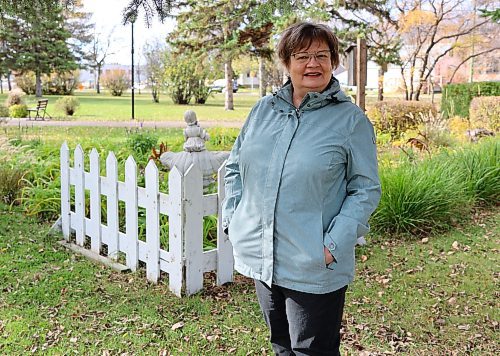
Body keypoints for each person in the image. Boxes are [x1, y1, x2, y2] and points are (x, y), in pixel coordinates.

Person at [222, 22, 381, 355]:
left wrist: (332, 245)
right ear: (286, 62)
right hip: (260, 257)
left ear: (335, 61)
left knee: (312, 350)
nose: (313, 64)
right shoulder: (263, 111)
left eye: (322, 55)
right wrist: (232, 220)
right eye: (303, 56)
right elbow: (235, 167)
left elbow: (365, 189)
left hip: (312, 263)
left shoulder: (350, 121)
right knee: (281, 345)